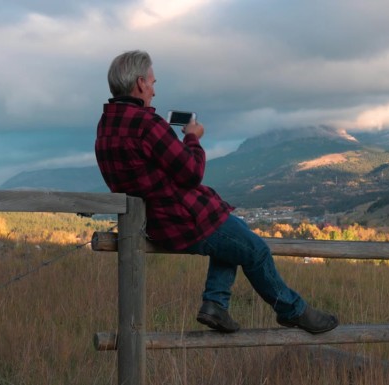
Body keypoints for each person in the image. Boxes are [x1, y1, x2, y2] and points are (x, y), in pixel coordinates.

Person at [95, 50, 338, 334]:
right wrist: (192, 137)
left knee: (236, 232)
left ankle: (216, 305)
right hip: (182, 219)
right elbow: (191, 171)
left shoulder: (105, 126)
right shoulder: (146, 124)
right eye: (152, 83)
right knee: (255, 250)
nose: (154, 91)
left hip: (152, 223)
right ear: (139, 83)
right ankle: (293, 311)